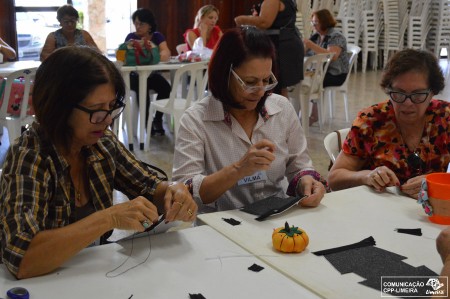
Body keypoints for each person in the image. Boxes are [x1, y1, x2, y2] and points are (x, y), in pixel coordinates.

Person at [0, 46, 197, 279]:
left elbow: (147, 185)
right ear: (58, 107)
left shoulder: (101, 143)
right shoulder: (30, 156)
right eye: (96, 111)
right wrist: (108, 218)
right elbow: (22, 259)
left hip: (94, 273)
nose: (107, 121)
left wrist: (173, 191)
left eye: (112, 107)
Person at [172, 26, 326, 214]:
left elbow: (299, 165)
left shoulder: (281, 108)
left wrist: (306, 182)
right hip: (222, 227)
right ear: (224, 75)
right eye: (250, 82)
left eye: (267, 80)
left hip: (277, 218)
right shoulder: (197, 120)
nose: (261, 91)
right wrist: (238, 169)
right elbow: (184, 191)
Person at [328, 49, 449, 200]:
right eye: (398, 93)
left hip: (432, 213)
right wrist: (366, 176)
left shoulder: (445, 117)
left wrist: (437, 182)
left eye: (418, 95)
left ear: (433, 92)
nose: (407, 103)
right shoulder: (371, 121)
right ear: (388, 90)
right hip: (377, 211)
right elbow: (334, 179)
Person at [234, 0, 304, 98]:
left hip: (280, 45)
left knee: (273, 86)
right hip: (288, 42)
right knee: (280, 87)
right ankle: (282, 112)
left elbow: (264, 22)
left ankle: (275, 112)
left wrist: (242, 20)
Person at [125, 8, 171, 136]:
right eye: (136, 23)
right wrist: (153, 56)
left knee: (166, 88)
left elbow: (166, 54)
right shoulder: (131, 37)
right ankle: (147, 124)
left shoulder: (157, 36)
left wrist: (147, 55)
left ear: (150, 25)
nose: (137, 27)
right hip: (134, 77)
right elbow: (127, 57)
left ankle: (157, 119)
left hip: (151, 75)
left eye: (141, 24)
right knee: (142, 89)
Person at [303, 9, 349, 126]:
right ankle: (300, 114)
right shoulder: (316, 36)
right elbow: (304, 53)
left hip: (336, 74)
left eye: (316, 22)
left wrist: (311, 45)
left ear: (324, 22)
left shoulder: (336, 36)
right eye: (312, 22)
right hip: (320, 71)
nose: (313, 25)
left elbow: (332, 56)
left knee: (313, 82)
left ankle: (314, 116)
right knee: (300, 80)